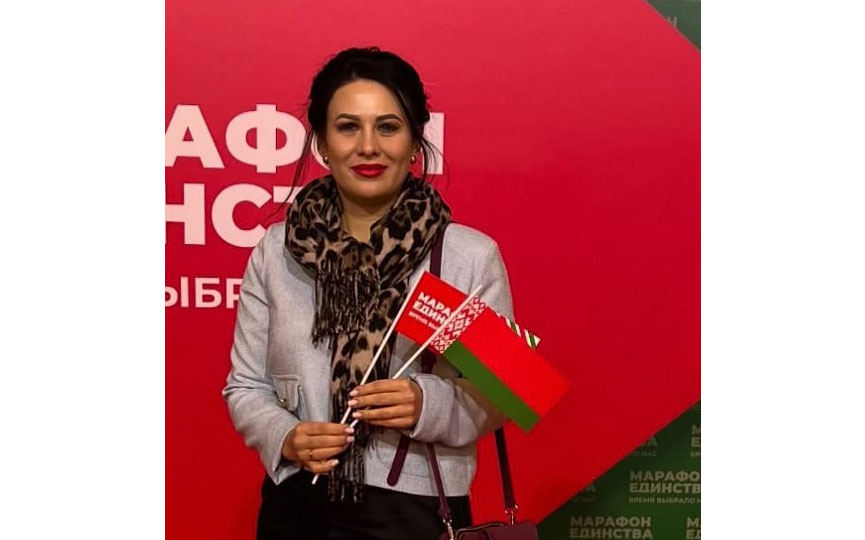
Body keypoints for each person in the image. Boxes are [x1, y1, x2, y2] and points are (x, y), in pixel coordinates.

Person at [223, 46, 514, 540]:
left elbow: (501, 392)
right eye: (347, 127)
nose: (368, 147)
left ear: (415, 140)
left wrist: (427, 403)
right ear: (321, 142)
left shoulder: (467, 257)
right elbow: (246, 386)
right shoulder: (276, 251)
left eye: (387, 127)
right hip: (298, 507)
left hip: (417, 512)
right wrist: (286, 436)